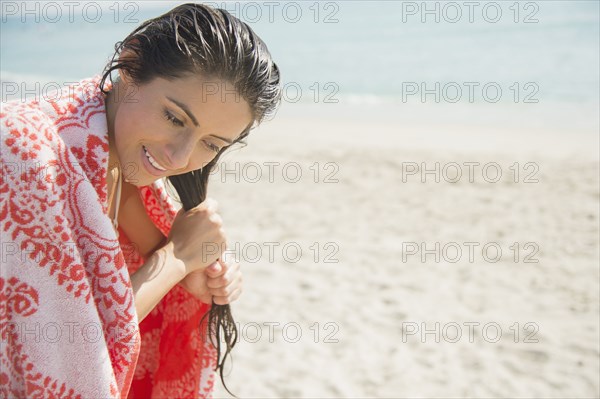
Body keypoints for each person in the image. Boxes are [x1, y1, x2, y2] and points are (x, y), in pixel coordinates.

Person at [0, 3, 282, 398]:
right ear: (130, 65)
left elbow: (130, 286)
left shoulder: (115, 167)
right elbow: (73, 354)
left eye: (212, 144)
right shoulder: (22, 152)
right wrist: (179, 258)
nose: (180, 158)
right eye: (174, 118)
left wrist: (195, 275)